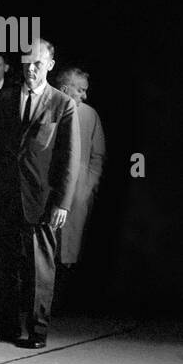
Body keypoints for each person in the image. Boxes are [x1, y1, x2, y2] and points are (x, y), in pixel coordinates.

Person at [0, 39, 80, 348]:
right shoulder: (4, 98)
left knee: (39, 269)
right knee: (5, 264)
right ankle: (6, 326)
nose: (30, 69)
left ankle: (37, 331)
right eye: (26, 62)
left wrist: (62, 203)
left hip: (41, 199)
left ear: (49, 64)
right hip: (4, 195)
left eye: (37, 63)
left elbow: (68, 158)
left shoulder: (62, 104)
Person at [56, 66, 105, 273]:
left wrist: (88, 186)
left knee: (70, 251)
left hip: (79, 192)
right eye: (80, 90)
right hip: (50, 188)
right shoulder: (48, 108)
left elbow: (98, 155)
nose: (84, 95)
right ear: (66, 89)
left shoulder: (89, 114)